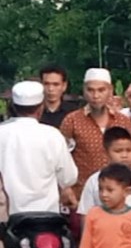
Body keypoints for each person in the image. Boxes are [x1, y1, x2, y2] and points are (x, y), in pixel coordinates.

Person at [60, 68, 131, 207]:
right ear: (84, 90)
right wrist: (65, 188)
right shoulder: (72, 121)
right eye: (91, 90)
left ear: (110, 90)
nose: (96, 95)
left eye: (101, 90)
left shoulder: (123, 121)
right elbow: (62, 159)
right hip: (83, 196)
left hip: (119, 196)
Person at [0, 81, 79, 215]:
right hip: (46, 216)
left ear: (13, 106)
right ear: (40, 108)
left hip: (8, 216)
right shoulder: (52, 135)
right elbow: (68, 178)